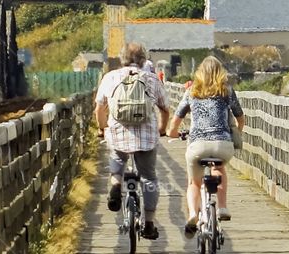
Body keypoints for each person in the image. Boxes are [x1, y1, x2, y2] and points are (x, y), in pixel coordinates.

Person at [95, 43, 170, 240]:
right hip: (146, 138)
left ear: (122, 59)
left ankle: (116, 183)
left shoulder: (110, 78)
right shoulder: (152, 79)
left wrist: (102, 129)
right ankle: (149, 224)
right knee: (149, 178)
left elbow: (99, 109)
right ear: (143, 60)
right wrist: (162, 129)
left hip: (118, 134)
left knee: (117, 160)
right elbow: (165, 109)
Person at [168, 55, 244, 236]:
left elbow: (175, 122)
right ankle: (223, 207)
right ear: (220, 73)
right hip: (222, 145)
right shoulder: (227, 91)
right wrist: (237, 132)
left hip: (197, 146)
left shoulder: (192, 91)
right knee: (219, 168)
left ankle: (194, 213)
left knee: (194, 182)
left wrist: (173, 133)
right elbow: (240, 117)